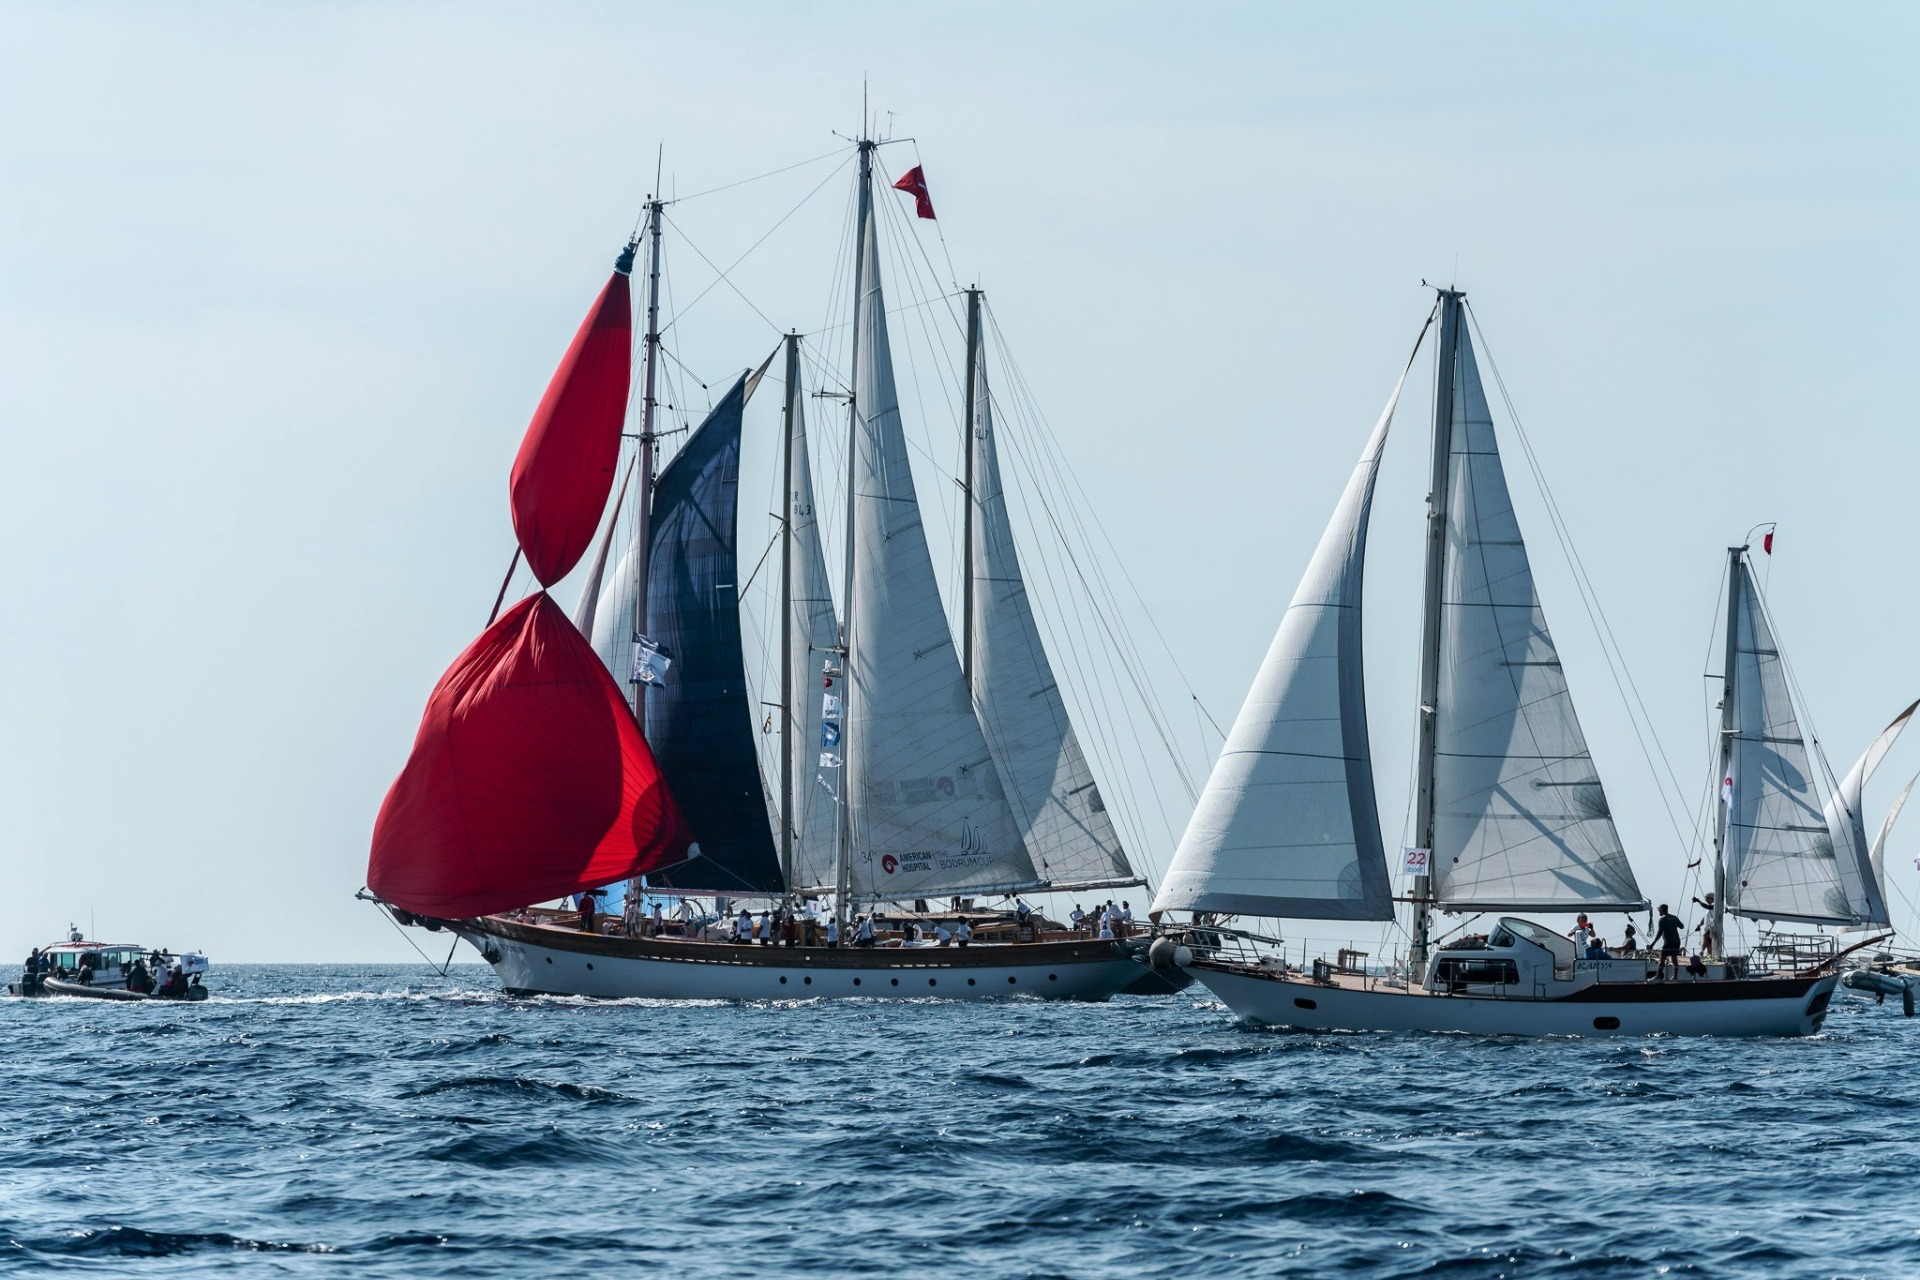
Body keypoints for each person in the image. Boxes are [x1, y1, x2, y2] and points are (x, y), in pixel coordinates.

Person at [1652, 904, 1684, 980]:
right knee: (1674, 959)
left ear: (1662, 910)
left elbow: (1660, 932)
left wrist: (1653, 943)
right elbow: (1682, 926)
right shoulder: (1674, 917)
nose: (1658, 912)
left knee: (1662, 959)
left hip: (1668, 943)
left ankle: (1657, 977)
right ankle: (1675, 977)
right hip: (1676, 941)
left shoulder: (1662, 919)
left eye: (1659, 910)